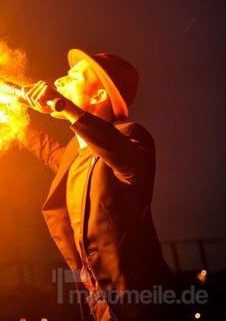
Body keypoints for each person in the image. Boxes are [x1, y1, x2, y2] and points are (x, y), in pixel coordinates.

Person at [23, 49, 182, 320]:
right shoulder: (77, 151)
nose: (59, 82)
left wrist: (66, 107)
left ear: (97, 96)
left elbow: (121, 157)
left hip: (141, 304)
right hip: (100, 306)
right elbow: (49, 151)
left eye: (72, 77)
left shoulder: (132, 137)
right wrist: (12, 121)